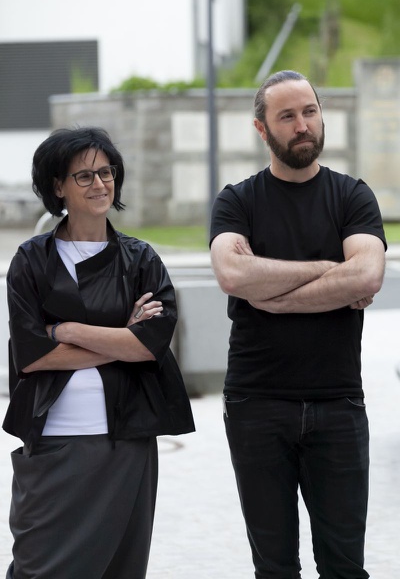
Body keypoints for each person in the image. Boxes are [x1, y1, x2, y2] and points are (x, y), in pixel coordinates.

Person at [210, 70, 386, 578]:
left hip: (338, 403)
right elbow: (232, 274)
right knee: (274, 568)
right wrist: (331, 271)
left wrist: (274, 297)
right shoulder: (237, 201)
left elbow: (368, 274)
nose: (302, 125)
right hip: (256, 403)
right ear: (262, 129)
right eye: (286, 116)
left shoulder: (352, 196)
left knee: (345, 566)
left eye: (309, 111)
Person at [4, 126, 195, 579]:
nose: (100, 184)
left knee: (120, 567)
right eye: (84, 176)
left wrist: (67, 330)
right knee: (39, 567)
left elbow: (150, 345)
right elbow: (32, 356)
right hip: (53, 440)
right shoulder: (31, 261)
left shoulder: (140, 259)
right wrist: (120, 337)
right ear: (58, 186)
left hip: (126, 440)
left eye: (106, 172)